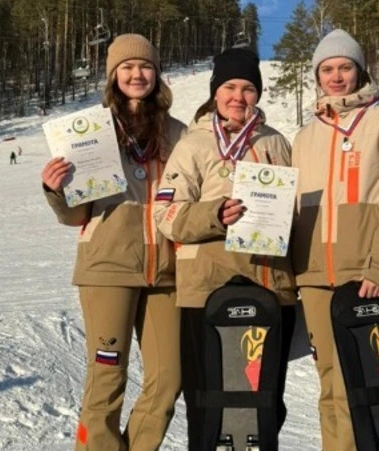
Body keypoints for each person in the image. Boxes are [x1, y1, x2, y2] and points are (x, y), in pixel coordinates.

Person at [41, 34, 187, 451]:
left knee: (168, 378)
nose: (136, 74)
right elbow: (75, 216)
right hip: (108, 267)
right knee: (107, 375)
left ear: (157, 74)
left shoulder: (178, 133)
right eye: (127, 67)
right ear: (113, 76)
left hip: (167, 269)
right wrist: (57, 190)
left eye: (145, 66)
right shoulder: (91, 131)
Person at [290, 29, 379, 451]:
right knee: (330, 383)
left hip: (363, 274)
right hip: (313, 277)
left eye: (345, 67)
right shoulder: (304, 136)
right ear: (317, 75)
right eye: (327, 69)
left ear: (359, 70)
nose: (336, 77)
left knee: (367, 383)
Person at [153, 48, 297, 449]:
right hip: (205, 289)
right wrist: (214, 214)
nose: (239, 96)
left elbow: (296, 214)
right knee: (208, 400)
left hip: (271, 284)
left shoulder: (277, 143)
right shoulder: (193, 145)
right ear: (215, 92)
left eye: (249, 88)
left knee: (264, 401)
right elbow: (165, 215)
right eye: (230, 87)